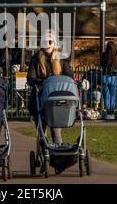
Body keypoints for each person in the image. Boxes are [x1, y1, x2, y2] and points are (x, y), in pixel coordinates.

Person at [27, 31, 73, 173]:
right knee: (42, 132)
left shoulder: (61, 58)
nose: (47, 45)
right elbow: (31, 78)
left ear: (54, 44)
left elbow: (69, 75)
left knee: (56, 131)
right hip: (40, 100)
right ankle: (43, 159)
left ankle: (58, 161)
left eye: (50, 42)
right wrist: (43, 83)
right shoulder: (36, 59)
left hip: (55, 102)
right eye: (44, 42)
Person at [100, 41, 117, 120]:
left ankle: (108, 112)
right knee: (113, 96)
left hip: (105, 76)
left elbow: (101, 64)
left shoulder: (104, 55)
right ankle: (112, 112)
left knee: (106, 96)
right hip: (113, 77)